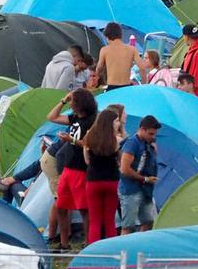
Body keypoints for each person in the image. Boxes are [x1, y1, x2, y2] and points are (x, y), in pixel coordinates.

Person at [46, 88, 98, 250]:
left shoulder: (92, 120)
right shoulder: (74, 118)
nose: (71, 105)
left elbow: (92, 145)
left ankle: (88, 243)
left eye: (73, 102)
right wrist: (63, 100)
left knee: (84, 209)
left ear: (81, 104)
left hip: (81, 169)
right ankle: (64, 243)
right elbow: (51, 117)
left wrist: (71, 140)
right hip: (68, 167)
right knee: (61, 205)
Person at [82, 108, 122, 245]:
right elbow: (120, 162)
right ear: (110, 123)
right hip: (111, 181)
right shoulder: (116, 140)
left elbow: (86, 160)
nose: (118, 123)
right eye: (116, 121)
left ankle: (94, 249)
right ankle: (111, 250)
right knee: (109, 220)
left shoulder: (89, 138)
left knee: (95, 220)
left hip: (93, 180)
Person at [119, 115, 161, 234]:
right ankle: (124, 250)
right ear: (142, 129)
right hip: (131, 190)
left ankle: (141, 248)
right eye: (151, 134)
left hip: (145, 190)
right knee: (128, 226)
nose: (153, 137)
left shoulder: (149, 143)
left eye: (154, 134)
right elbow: (124, 169)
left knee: (148, 222)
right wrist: (145, 179)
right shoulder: (132, 143)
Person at [95, 22, 146, 89]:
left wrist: (97, 77)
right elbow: (142, 68)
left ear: (107, 36)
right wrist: (144, 84)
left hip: (112, 86)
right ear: (120, 35)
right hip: (127, 86)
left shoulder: (105, 50)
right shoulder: (132, 49)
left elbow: (99, 68)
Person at [178, 23, 198, 97]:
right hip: (189, 93)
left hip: (195, 95)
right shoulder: (192, 51)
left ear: (186, 37)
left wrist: (191, 92)